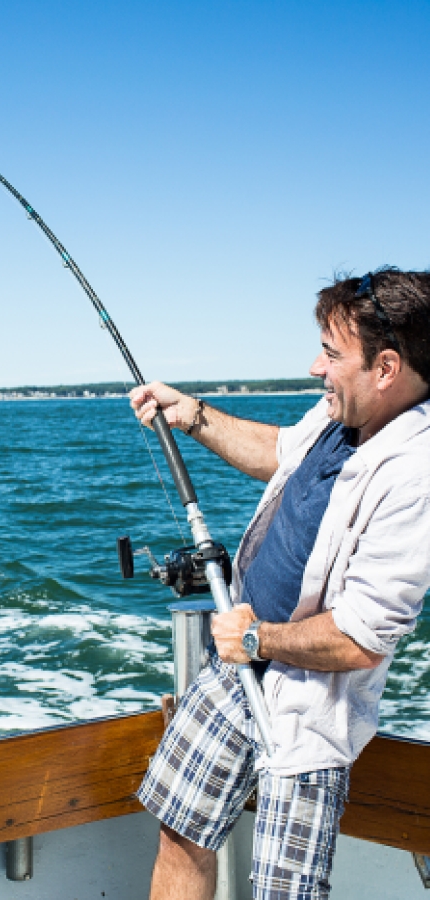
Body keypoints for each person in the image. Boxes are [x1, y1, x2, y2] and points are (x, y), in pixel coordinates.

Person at [130, 268, 430, 900]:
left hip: (303, 710)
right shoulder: (340, 413)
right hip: (232, 667)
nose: (316, 368)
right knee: (179, 830)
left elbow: (360, 639)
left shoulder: (415, 476)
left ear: (386, 368)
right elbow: (280, 451)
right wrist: (192, 415)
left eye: (331, 353)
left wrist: (259, 638)